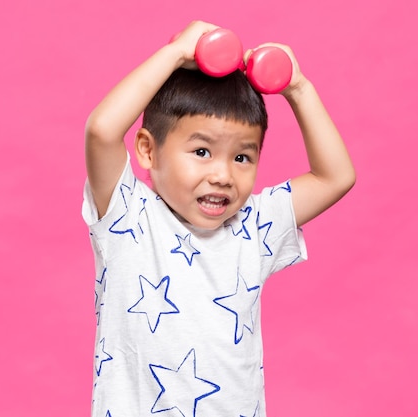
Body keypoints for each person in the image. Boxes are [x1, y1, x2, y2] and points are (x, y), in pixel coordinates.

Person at [82, 20, 355, 417]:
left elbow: (336, 177)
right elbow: (102, 131)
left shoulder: (253, 227)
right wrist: (175, 54)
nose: (223, 175)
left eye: (242, 157)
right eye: (202, 152)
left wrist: (298, 88)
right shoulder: (129, 217)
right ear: (147, 150)